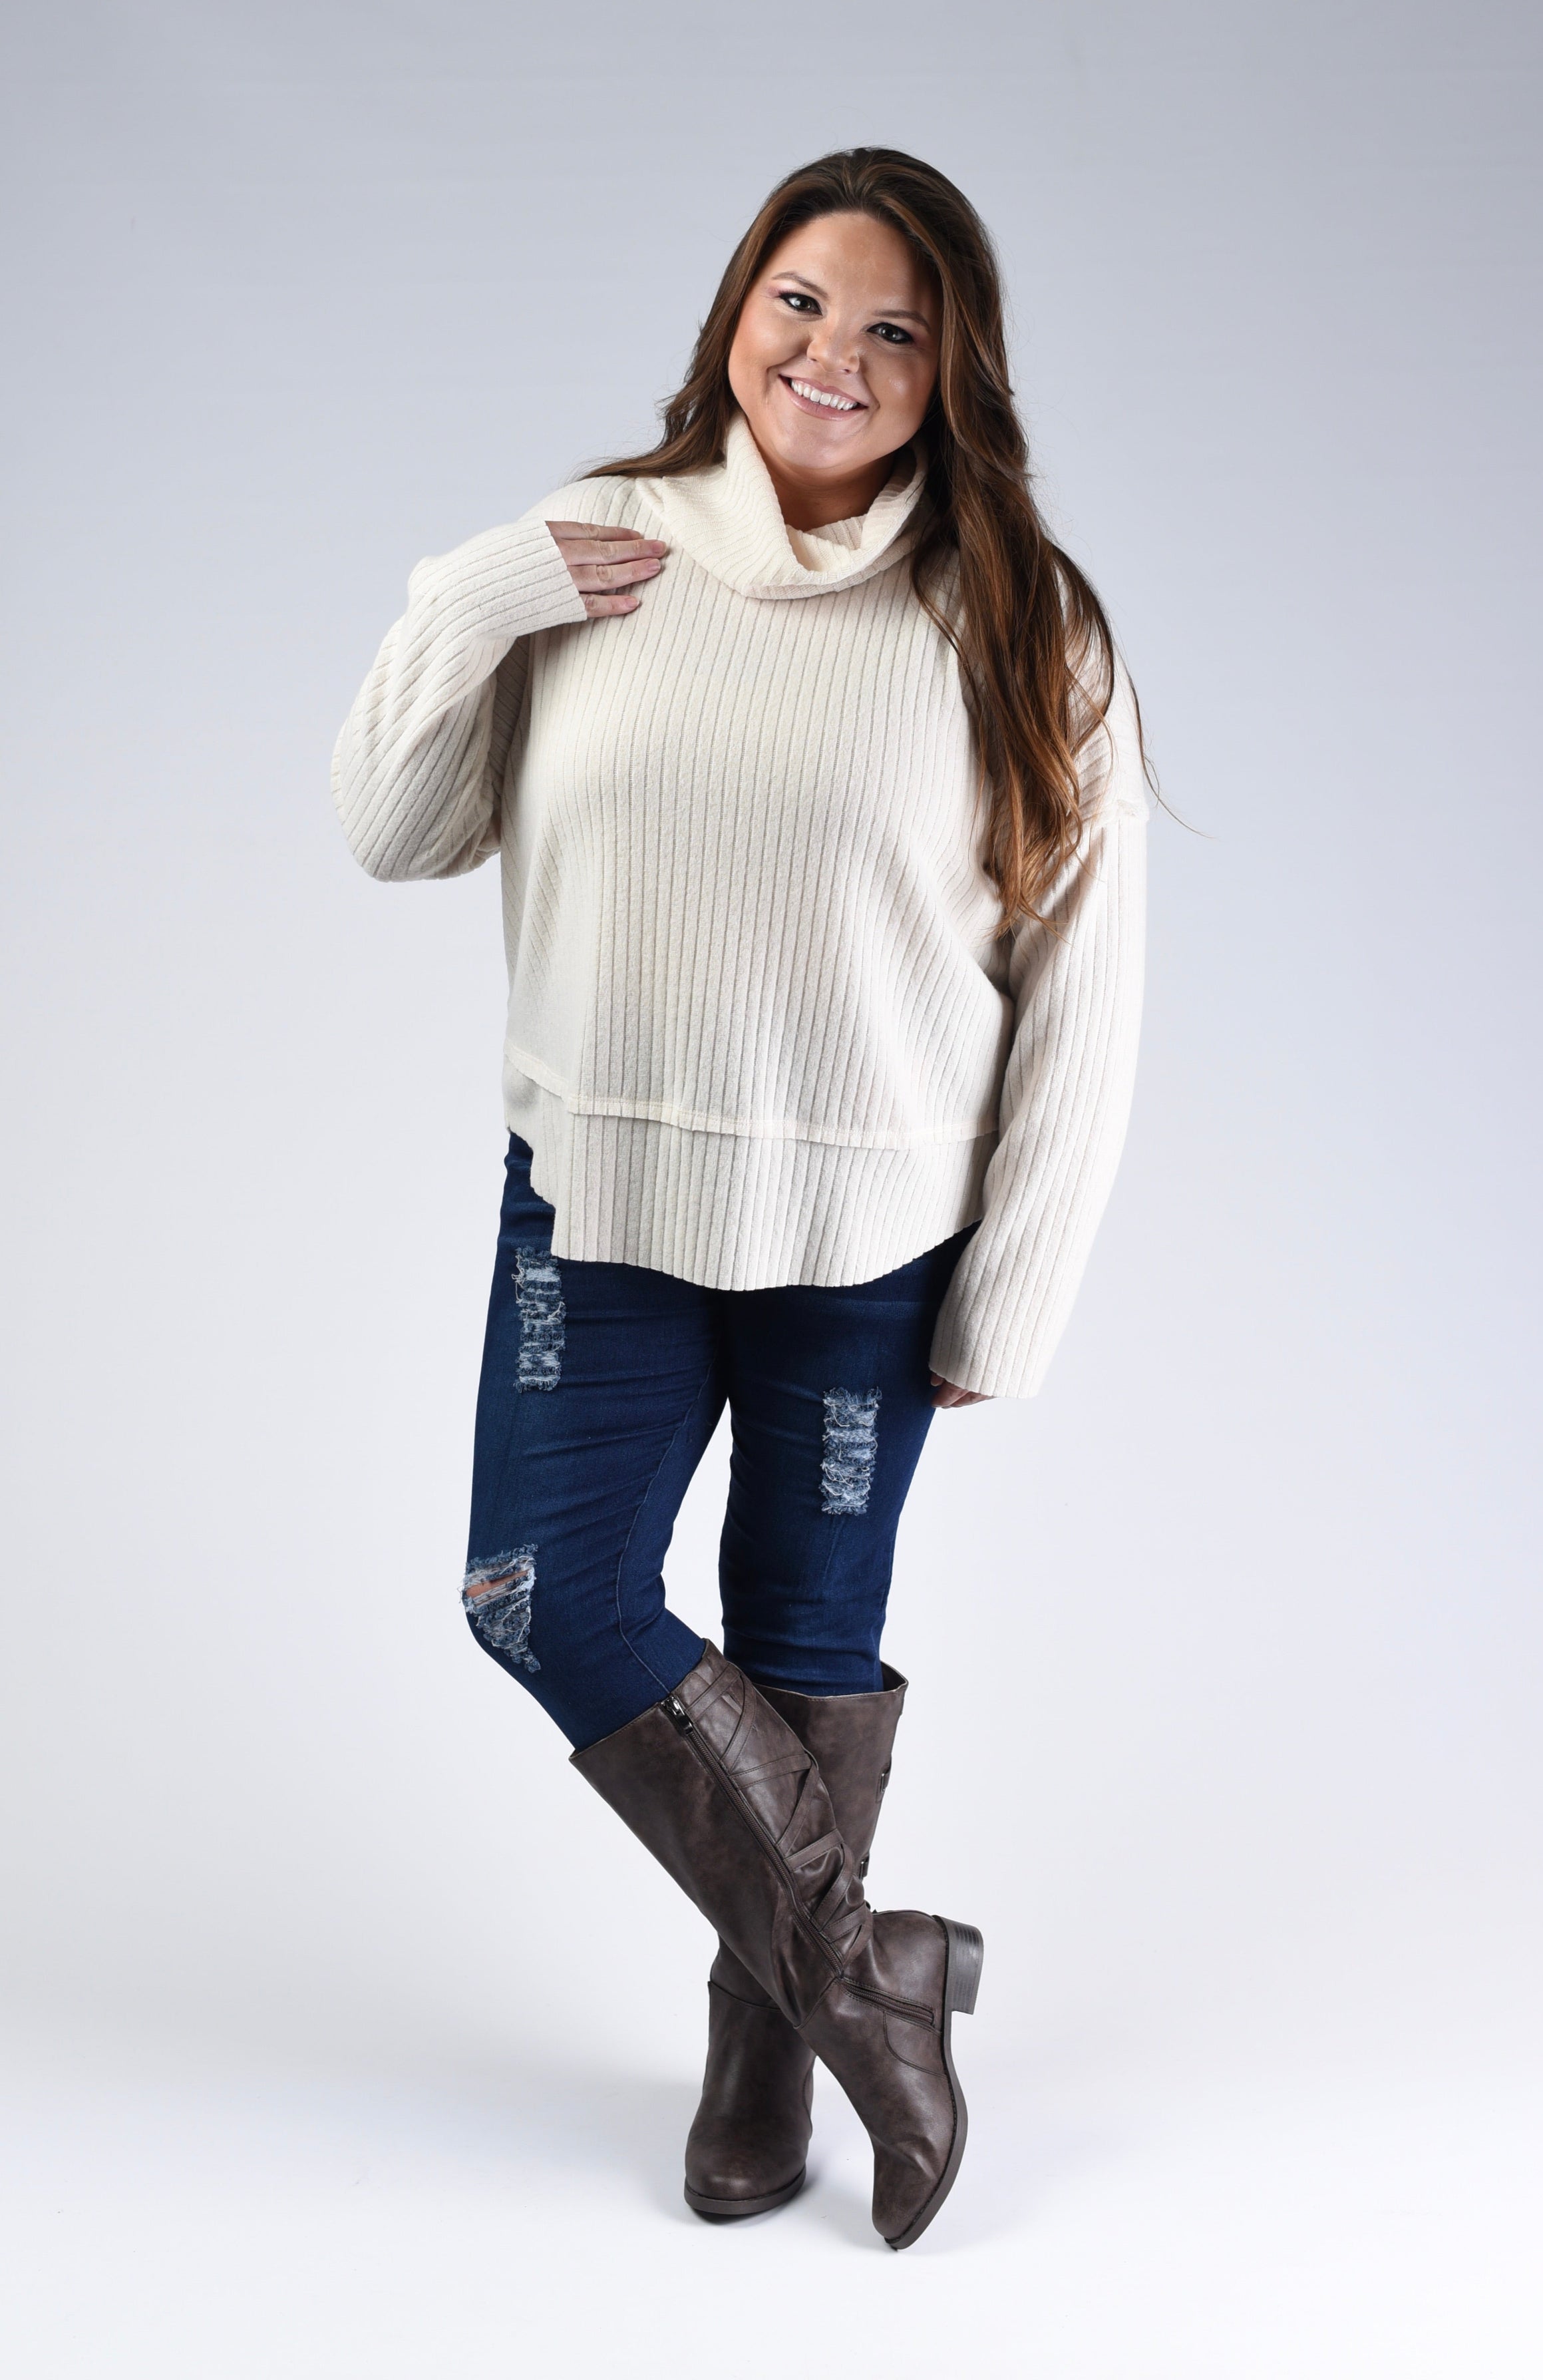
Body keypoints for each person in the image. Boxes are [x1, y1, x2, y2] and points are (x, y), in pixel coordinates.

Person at [331, 146, 1148, 2250]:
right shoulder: (596, 552)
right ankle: (868, 1980)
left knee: (805, 1640)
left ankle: (771, 2040)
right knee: (541, 1591)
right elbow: (394, 828)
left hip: (870, 1242)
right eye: (801, 300)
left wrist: (1012, 1294)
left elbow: (1085, 985)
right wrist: (477, 590)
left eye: (894, 328)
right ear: (735, 312)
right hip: (596, 1202)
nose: (833, 355)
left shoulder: (1018, 617)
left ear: (954, 367)